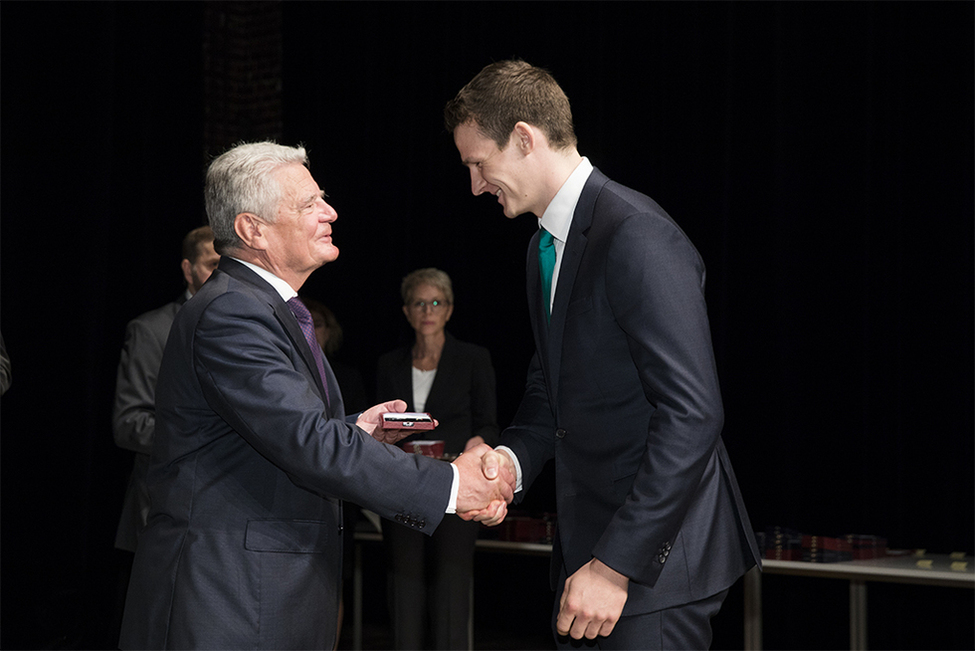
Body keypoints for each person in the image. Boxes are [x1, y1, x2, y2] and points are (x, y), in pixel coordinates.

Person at [118, 141, 514, 651]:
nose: (330, 211)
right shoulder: (233, 313)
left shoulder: (268, 308)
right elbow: (306, 443)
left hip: (264, 594)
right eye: (309, 203)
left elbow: (270, 439)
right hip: (228, 600)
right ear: (251, 229)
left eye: (322, 197)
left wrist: (355, 432)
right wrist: (453, 486)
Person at [445, 60, 761, 649]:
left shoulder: (636, 234)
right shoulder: (545, 246)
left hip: (649, 569)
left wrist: (615, 565)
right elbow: (551, 394)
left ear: (523, 138)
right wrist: (510, 464)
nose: (475, 185)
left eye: (477, 164)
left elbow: (692, 416)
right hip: (588, 559)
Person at [376, 267, 499, 649]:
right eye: (419, 302)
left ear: (448, 310)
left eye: (436, 302)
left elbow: (490, 425)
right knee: (404, 585)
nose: (427, 310)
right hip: (403, 485)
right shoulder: (388, 364)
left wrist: (477, 446)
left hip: (456, 485)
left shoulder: (474, 358)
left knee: (452, 586)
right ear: (406, 311)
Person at [112, 225, 220, 555]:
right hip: (166, 514)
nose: (220, 274)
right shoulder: (153, 330)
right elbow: (129, 424)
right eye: (212, 265)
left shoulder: (249, 327)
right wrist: (211, 438)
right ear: (188, 270)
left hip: (226, 518)